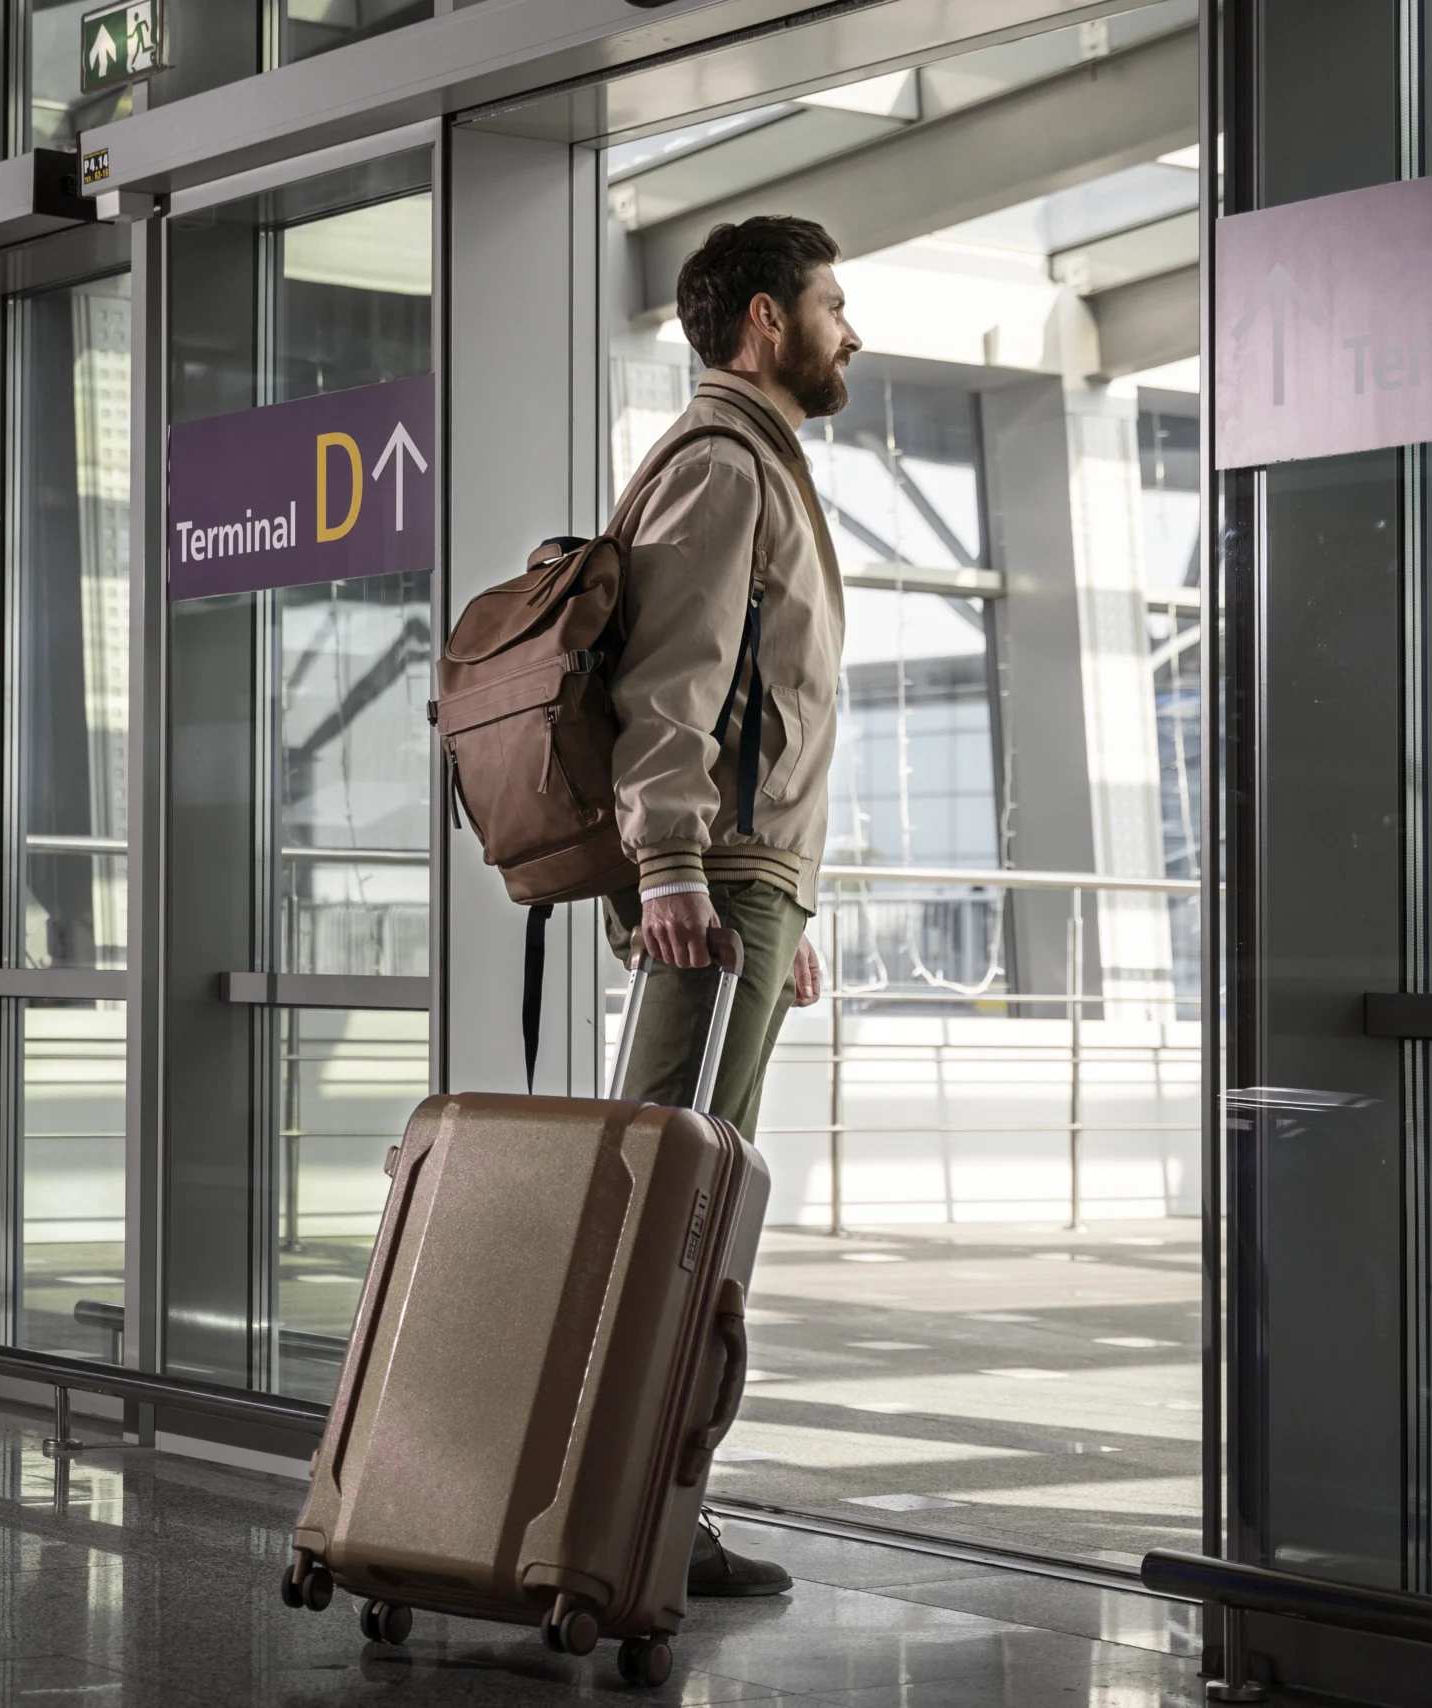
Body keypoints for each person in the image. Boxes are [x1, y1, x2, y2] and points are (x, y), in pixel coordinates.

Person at [608, 215, 856, 1598]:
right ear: (767, 323)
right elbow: (675, 684)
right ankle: (624, 1513)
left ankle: (647, 1505)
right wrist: (678, 868)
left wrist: (786, 909)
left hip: (750, 889)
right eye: (832, 304)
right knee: (670, 1205)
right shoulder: (720, 464)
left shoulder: (759, 463)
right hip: (715, 889)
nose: (850, 330)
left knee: (696, 1197)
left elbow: (762, 703)